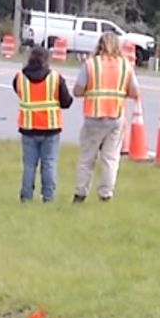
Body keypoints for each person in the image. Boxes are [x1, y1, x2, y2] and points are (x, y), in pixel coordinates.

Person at [72, 32, 140, 203]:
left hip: (93, 116)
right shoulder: (125, 66)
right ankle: (105, 194)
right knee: (110, 158)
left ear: (99, 45)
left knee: (87, 158)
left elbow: (77, 90)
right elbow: (135, 92)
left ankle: (80, 193)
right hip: (115, 116)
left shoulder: (91, 65)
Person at [12, 46, 74, 202]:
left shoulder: (19, 77)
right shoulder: (55, 78)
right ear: (47, 60)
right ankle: (48, 197)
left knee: (29, 165)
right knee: (49, 163)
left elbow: (18, 92)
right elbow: (67, 102)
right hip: (50, 128)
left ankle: (26, 196)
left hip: (28, 127)